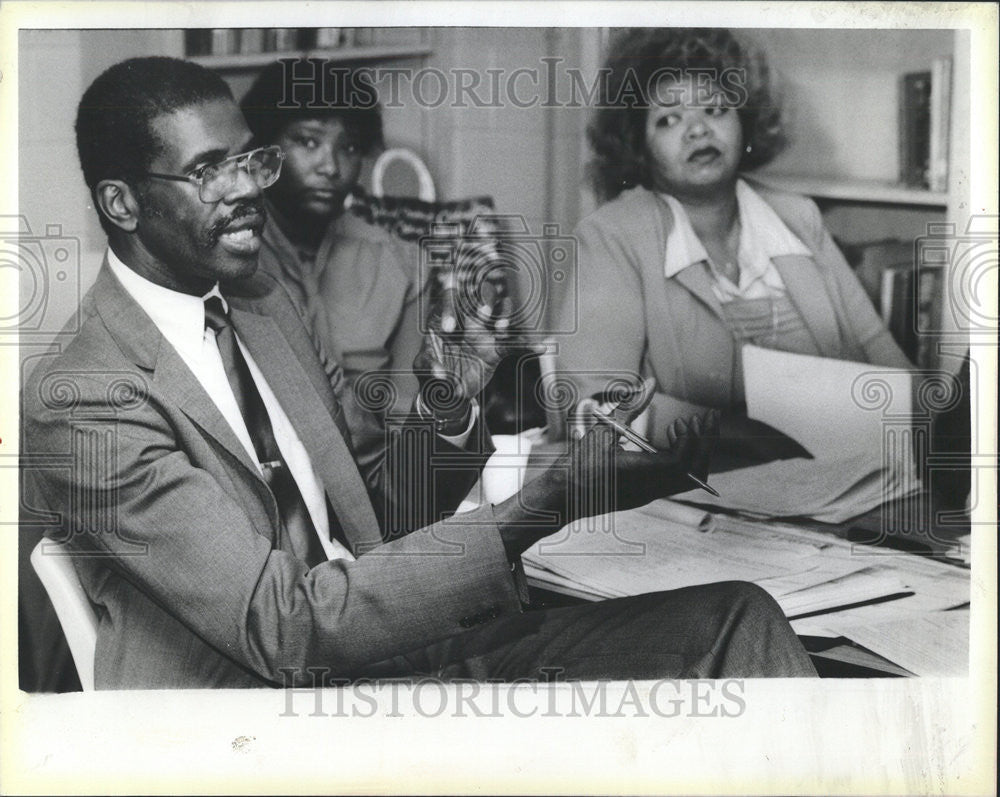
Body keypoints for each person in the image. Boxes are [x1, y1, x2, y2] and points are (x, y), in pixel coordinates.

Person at [20, 56, 816, 691]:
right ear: (121, 204)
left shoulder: (259, 304)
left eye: (249, 161)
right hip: (268, 715)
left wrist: (451, 408)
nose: (249, 191)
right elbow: (283, 627)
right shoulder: (86, 396)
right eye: (208, 173)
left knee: (735, 621)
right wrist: (537, 508)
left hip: (401, 651)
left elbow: (375, 517)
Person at [553, 28, 913, 456]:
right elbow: (596, 410)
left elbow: (883, 359)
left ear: (745, 122)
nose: (698, 131)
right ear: (639, 146)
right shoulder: (612, 236)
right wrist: (751, 439)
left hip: (843, 476)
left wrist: (934, 409)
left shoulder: (798, 216)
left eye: (716, 109)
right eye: (669, 119)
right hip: (692, 493)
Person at [240, 59, 427, 415]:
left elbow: (407, 412)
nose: (331, 167)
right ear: (262, 149)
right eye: (308, 142)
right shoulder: (228, 258)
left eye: (350, 147)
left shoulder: (402, 262)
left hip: (378, 465)